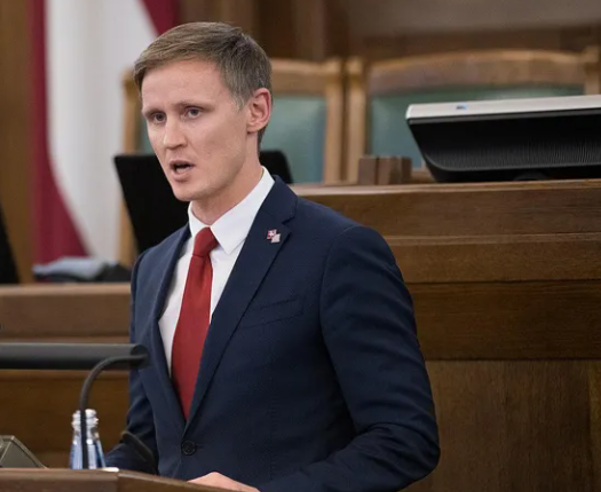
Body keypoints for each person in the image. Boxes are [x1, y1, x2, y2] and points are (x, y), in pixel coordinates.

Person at [105, 21, 439, 492]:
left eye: (192, 112)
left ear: (256, 110)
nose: (169, 139)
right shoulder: (152, 267)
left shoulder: (338, 251)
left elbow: (405, 438)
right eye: (156, 117)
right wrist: (84, 479)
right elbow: (149, 441)